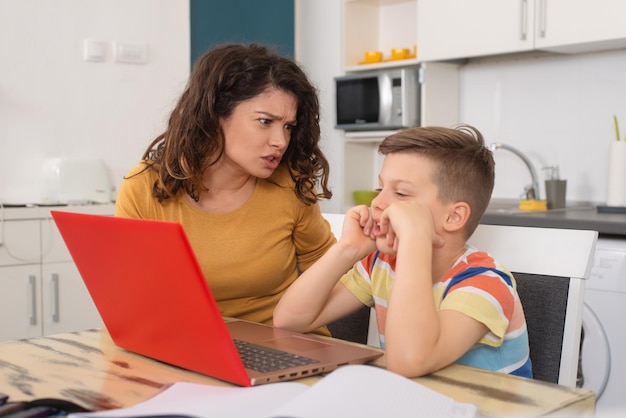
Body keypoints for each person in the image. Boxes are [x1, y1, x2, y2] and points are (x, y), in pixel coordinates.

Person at [274, 125, 533, 378]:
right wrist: (348, 249)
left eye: (400, 193)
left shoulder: (485, 283)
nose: (377, 203)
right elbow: (289, 321)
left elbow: (409, 362)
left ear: (454, 217)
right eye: (380, 189)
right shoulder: (383, 264)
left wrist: (414, 240)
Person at [115, 43, 336, 329]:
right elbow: (127, 296)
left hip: (287, 348)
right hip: (189, 348)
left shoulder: (289, 186)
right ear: (215, 114)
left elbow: (332, 270)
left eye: (288, 127)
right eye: (265, 121)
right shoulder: (144, 186)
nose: (281, 141)